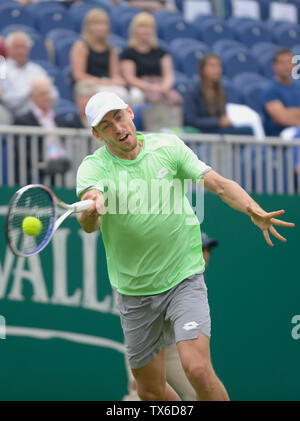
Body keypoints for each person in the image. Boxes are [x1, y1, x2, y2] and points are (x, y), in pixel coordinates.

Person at [76, 91, 294, 401]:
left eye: (119, 117)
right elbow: (89, 223)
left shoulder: (168, 147)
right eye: (107, 125)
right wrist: (91, 210)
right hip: (134, 291)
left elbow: (219, 185)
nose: (118, 128)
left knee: (198, 370)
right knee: (149, 390)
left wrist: (251, 208)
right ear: (97, 134)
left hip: (183, 279)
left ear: (130, 112)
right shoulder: (92, 168)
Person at [122, 231, 219, 401]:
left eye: (207, 249)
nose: (205, 254)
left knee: (198, 389)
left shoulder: (194, 282)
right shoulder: (158, 265)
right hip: (148, 340)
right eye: (200, 248)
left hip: (175, 347)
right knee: (140, 396)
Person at [183, 53, 265, 140]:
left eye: (218, 66)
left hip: (217, 130)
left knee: (248, 128)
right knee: (247, 131)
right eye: (212, 66)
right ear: (202, 69)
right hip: (202, 132)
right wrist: (218, 122)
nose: (216, 70)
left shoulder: (220, 90)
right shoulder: (193, 91)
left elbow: (223, 114)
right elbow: (190, 120)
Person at [14, 76, 71, 180]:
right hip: (36, 172)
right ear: (31, 96)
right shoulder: (23, 120)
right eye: (42, 94)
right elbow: (22, 152)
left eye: (48, 93)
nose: (47, 97)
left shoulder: (59, 120)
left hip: (61, 168)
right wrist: (44, 162)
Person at [120, 12, 183, 106]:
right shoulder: (128, 53)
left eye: (149, 27)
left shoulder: (161, 52)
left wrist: (164, 86)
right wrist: (150, 86)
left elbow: (169, 75)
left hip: (159, 84)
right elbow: (130, 78)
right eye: (142, 26)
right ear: (134, 30)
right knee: (136, 96)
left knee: (175, 98)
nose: (146, 30)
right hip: (140, 87)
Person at [70, 9, 131, 104]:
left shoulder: (110, 48)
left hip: (107, 83)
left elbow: (115, 74)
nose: (101, 28)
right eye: (96, 24)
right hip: (88, 85)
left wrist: (116, 81)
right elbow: (78, 75)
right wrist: (101, 82)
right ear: (88, 27)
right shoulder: (81, 46)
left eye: (103, 24)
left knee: (126, 94)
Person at [1, 31, 59, 118]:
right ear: (8, 49)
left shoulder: (37, 70)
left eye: (23, 47)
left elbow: (54, 95)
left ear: (28, 49)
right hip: (15, 117)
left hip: (41, 117)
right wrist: (31, 94)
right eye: (17, 47)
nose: (20, 51)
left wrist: (38, 96)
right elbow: (7, 100)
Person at [261, 48, 300, 172]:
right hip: (280, 137)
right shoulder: (270, 90)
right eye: (282, 63)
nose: (286, 66)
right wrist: (292, 114)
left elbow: (288, 116)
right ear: (274, 66)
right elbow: (282, 118)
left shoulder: (297, 88)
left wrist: (291, 113)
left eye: (289, 62)